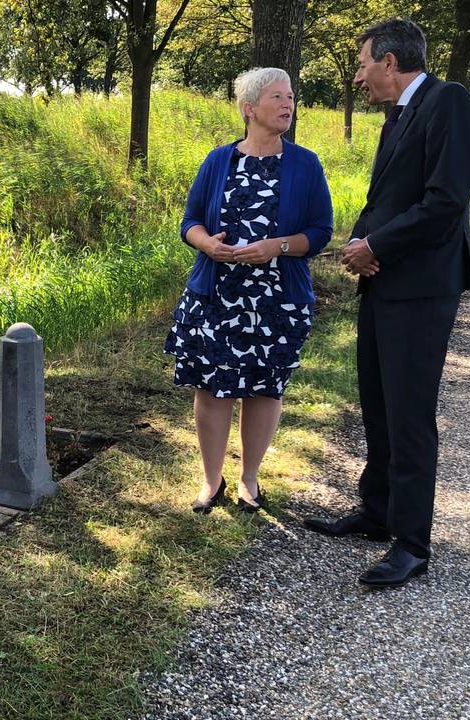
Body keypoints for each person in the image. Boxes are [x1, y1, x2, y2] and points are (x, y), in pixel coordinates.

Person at [304, 18, 470, 587]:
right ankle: (377, 510)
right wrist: (363, 242)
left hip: (423, 287)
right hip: (383, 280)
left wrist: (375, 245)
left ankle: (411, 543)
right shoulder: (396, 117)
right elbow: (387, 198)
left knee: (408, 413)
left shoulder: (447, 101)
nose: (357, 76)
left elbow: (445, 202)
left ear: (390, 62)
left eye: (361, 64)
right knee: (377, 402)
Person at [166, 67, 333, 515]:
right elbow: (190, 222)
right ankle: (210, 481)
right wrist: (208, 245)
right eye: (278, 97)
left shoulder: (306, 163)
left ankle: (249, 479)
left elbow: (320, 232)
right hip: (216, 296)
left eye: (291, 97)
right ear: (249, 109)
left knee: (264, 389)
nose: (288, 105)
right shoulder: (218, 160)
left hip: (276, 300)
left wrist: (277, 247)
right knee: (213, 390)